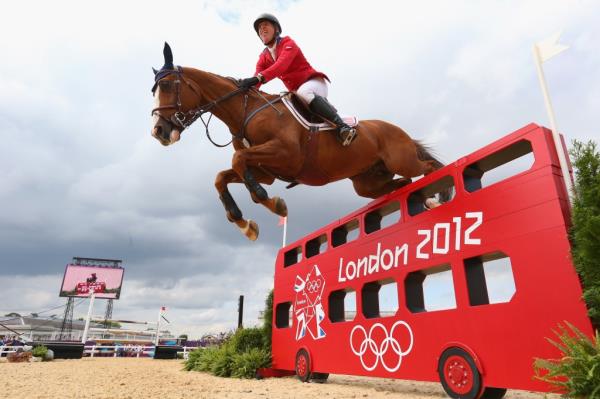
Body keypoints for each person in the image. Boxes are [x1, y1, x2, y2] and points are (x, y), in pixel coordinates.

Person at [239, 13, 357, 146]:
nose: (262, 29)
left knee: (304, 92)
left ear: (276, 29)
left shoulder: (288, 43)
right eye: (259, 28)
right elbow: (257, 79)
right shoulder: (263, 57)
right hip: (296, 92)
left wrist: (257, 78)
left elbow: (280, 66)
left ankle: (343, 127)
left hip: (314, 83)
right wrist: (247, 89)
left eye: (265, 25)